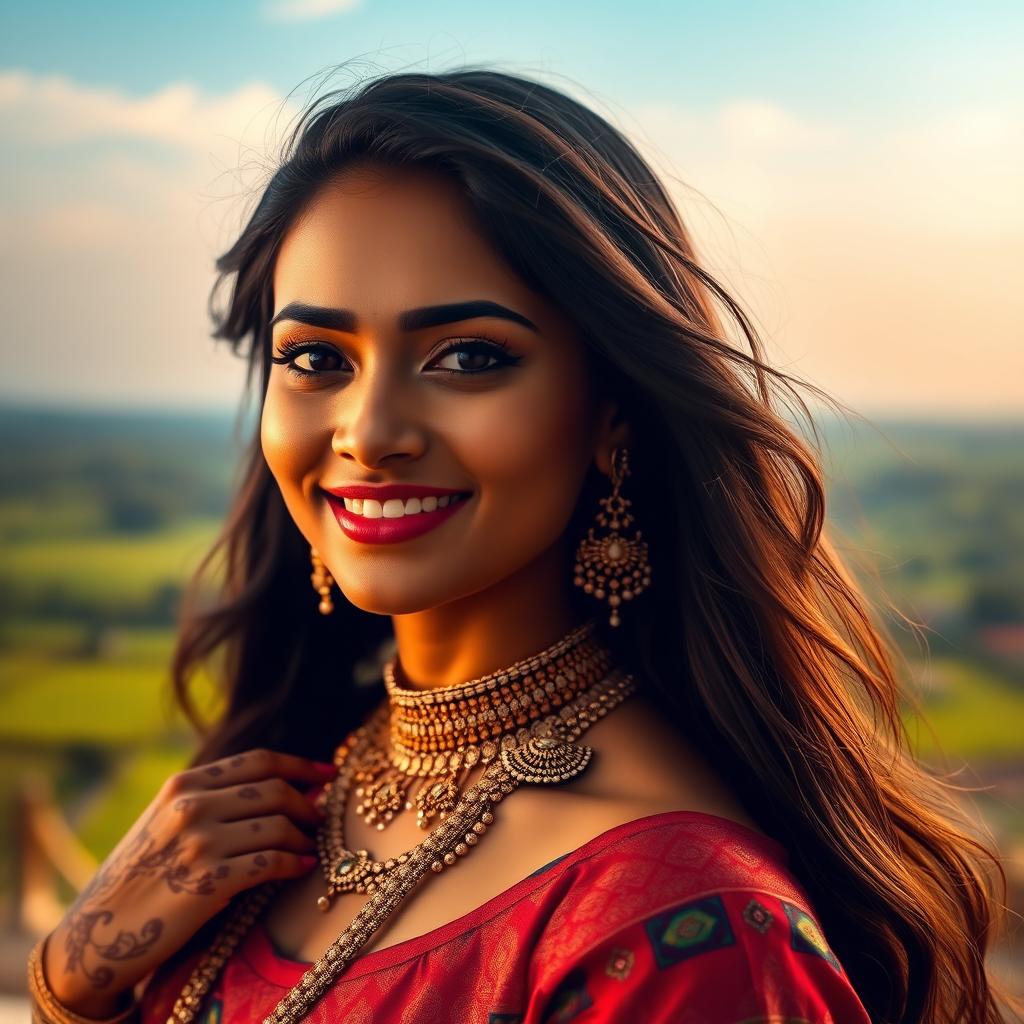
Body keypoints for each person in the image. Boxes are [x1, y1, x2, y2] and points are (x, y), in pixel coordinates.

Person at [28, 68, 1018, 1024]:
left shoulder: (686, 930)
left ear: (612, 411)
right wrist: (77, 974)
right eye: (317, 358)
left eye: (468, 356)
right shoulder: (285, 793)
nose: (368, 432)